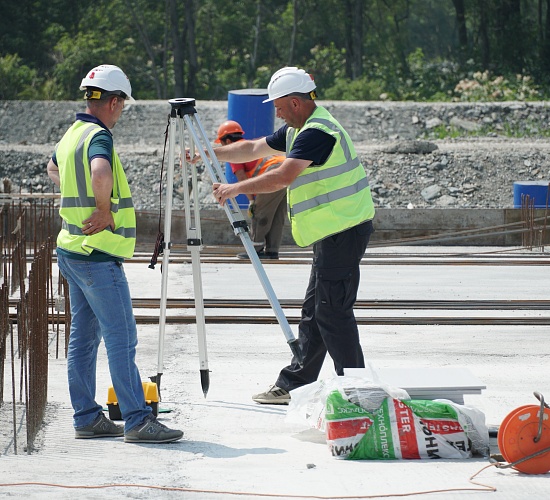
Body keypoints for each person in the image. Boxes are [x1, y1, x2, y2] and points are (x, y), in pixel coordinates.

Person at [206, 67, 376, 404]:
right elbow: (253, 148)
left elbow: (282, 176)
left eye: (280, 106)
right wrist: (209, 154)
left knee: (332, 312)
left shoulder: (317, 132)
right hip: (331, 233)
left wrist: (234, 188)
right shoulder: (299, 129)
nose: (277, 112)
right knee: (316, 311)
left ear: (296, 102)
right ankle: (295, 383)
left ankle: (358, 390)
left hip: (344, 231)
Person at [47, 64, 183, 442]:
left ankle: (86, 417)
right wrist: (102, 208)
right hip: (97, 254)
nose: (121, 111)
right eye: (121, 103)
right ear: (112, 101)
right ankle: (139, 420)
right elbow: (101, 171)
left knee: (83, 340)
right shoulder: (99, 137)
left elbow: (52, 167)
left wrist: (77, 197)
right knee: (121, 338)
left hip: (72, 250)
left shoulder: (71, 134)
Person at [215, 120, 287, 260]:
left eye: (222, 144)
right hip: (285, 171)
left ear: (228, 141)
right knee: (277, 213)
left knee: (259, 212)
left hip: (273, 173)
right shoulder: (249, 146)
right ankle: (272, 251)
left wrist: (252, 201)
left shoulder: (237, 152)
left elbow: (242, 179)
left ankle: (256, 250)